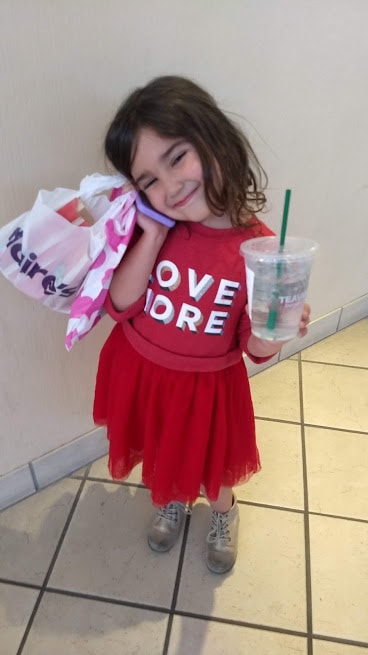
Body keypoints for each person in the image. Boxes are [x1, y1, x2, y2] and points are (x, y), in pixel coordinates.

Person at [93, 76, 310, 574]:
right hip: (143, 371)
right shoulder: (148, 226)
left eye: (176, 157)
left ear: (216, 140)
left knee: (213, 468)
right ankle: (171, 497)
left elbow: (253, 349)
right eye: (147, 178)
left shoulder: (259, 252)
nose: (169, 187)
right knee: (160, 446)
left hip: (207, 388)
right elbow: (119, 304)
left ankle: (223, 513)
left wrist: (275, 327)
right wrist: (151, 235)